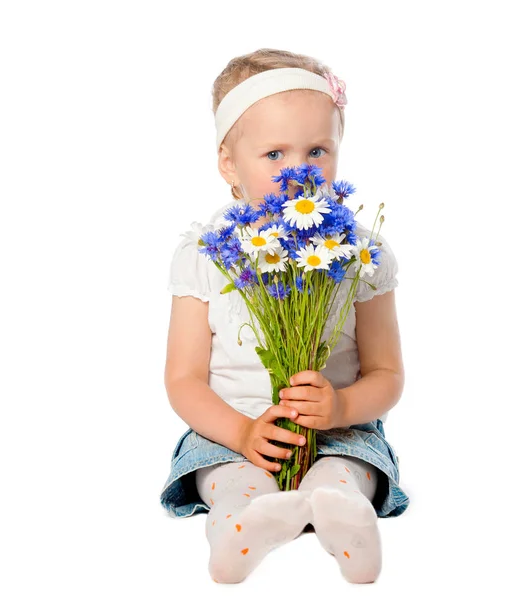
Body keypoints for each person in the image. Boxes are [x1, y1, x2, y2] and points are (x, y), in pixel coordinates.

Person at [160, 48, 410, 584]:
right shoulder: (206, 256)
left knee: (347, 466)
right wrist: (244, 431)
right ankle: (238, 531)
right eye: (274, 154)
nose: (299, 174)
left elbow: (387, 375)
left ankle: (344, 516)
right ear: (229, 163)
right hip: (230, 431)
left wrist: (342, 404)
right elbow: (182, 380)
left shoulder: (362, 256)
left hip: (337, 428)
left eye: (317, 150)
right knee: (228, 478)